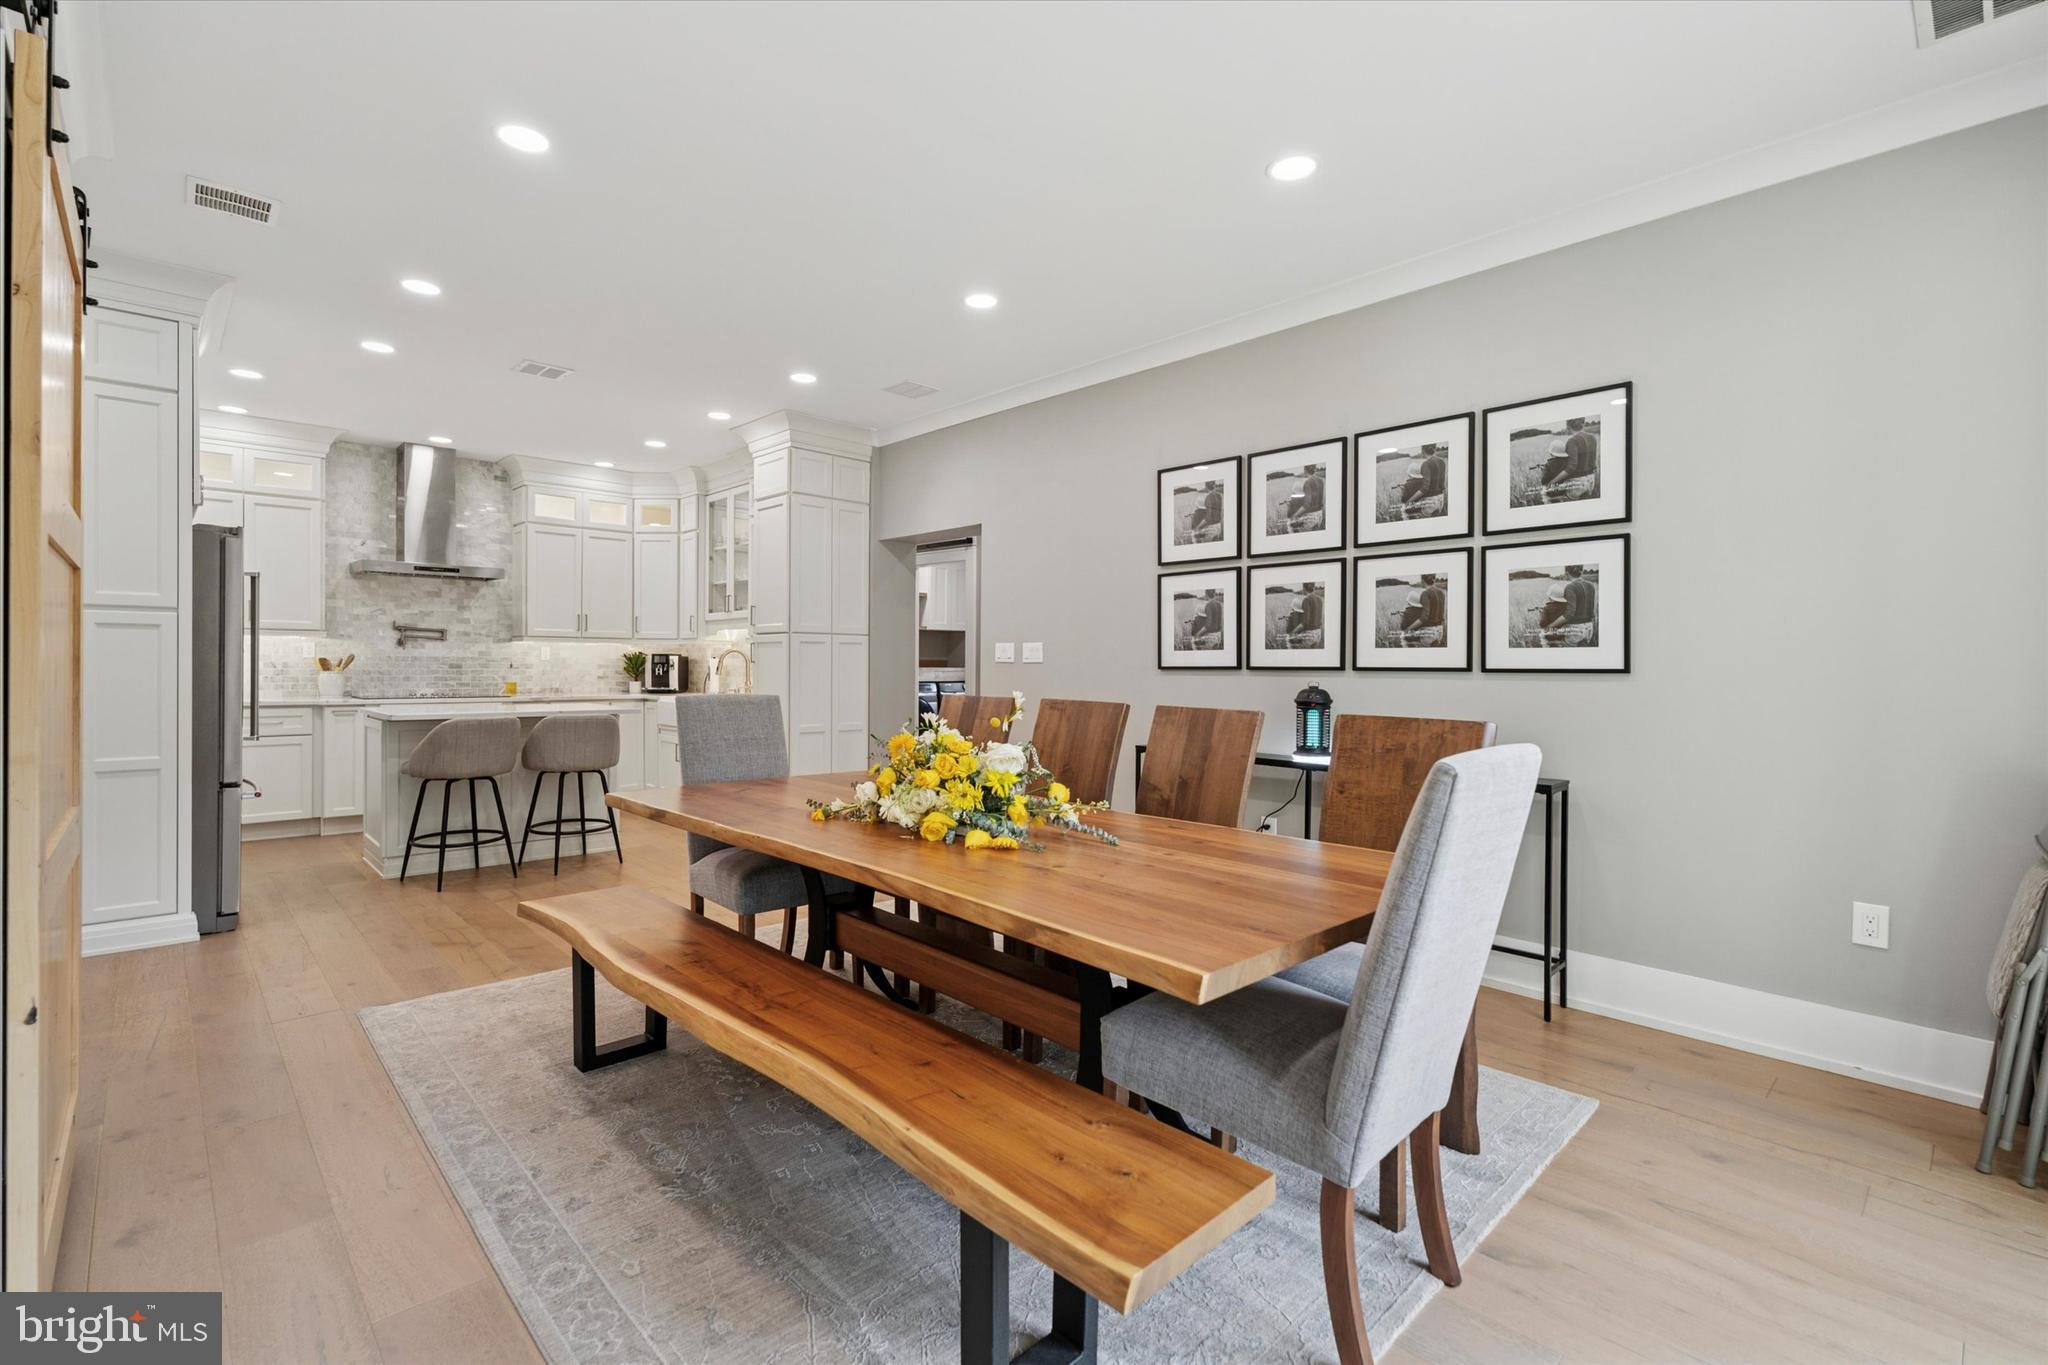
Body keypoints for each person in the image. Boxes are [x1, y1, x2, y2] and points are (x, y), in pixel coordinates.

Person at [1399, 444, 1447, 512]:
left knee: (1412, 515)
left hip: (1430, 501)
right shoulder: (1442, 462)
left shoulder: (1426, 464)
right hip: (1441, 498)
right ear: (1434, 449)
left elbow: (1425, 488)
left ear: (1423, 451)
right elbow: (1442, 484)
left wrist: (1408, 502)